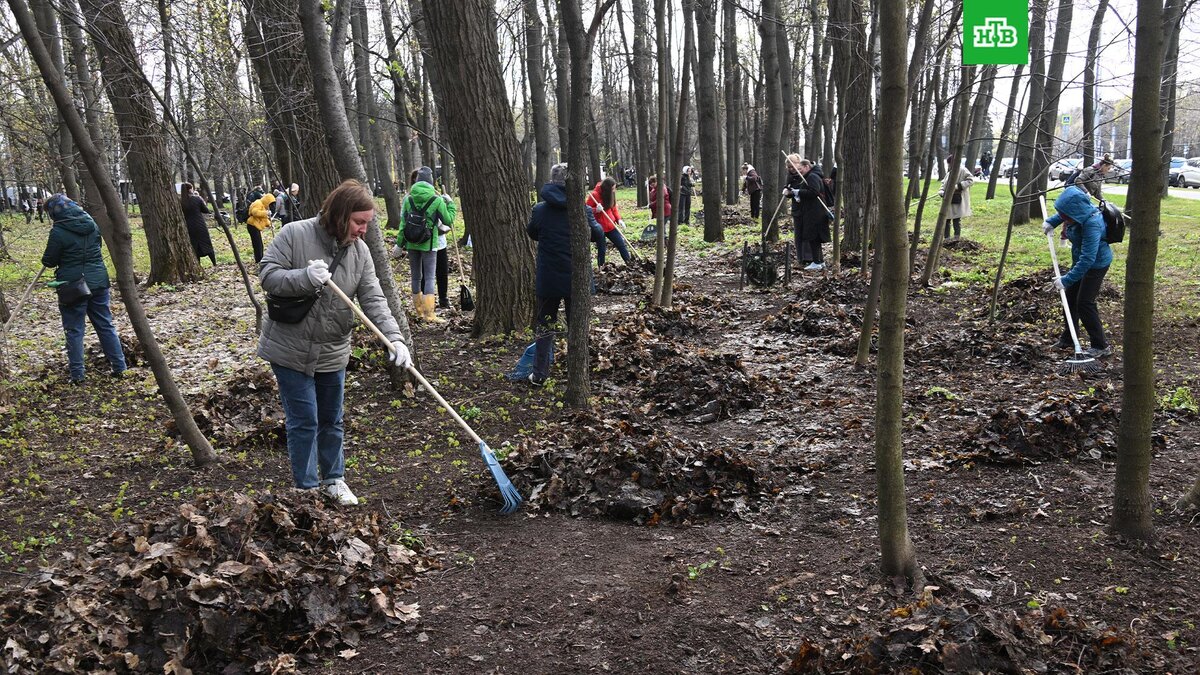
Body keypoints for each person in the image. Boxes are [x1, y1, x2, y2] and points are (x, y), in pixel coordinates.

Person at [257, 180, 410, 505]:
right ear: (340, 216)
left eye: (367, 223)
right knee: (305, 419)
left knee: (331, 418)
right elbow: (268, 275)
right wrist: (304, 277)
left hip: (332, 349)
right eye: (359, 222)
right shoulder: (295, 234)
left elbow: (373, 298)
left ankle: (334, 480)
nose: (363, 230)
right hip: (289, 346)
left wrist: (395, 339)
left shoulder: (360, 253)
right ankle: (307, 489)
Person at [40, 194, 127, 384]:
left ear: (54, 212)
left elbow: (50, 260)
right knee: (105, 325)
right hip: (98, 282)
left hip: (73, 286)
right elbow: (96, 247)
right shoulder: (91, 224)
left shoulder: (58, 231)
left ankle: (77, 375)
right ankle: (120, 367)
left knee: (74, 330)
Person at [1041, 186, 1112, 358]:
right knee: (1070, 298)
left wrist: (1066, 279)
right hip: (1081, 260)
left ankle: (1101, 345)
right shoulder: (1076, 213)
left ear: (1075, 211)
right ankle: (1068, 338)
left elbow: (1088, 258)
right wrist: (1052, 221)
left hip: (1096, 265)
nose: (1063, 217)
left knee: (1084, 302)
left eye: (1065, 215)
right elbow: (1063, 214)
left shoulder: (1092, 224)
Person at [526, 163, 577, 387]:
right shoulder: (581, 210)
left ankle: (539, 374)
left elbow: (532, 232)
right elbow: (596, 233)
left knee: (545, 325)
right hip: (575, 279)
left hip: (548, 279)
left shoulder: (539, 210)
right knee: (575, 324)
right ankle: (576, 373)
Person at [401, 166, 456, 323]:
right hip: (429, 244)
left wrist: (399, 245)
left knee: (416, 277)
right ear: (431, 182)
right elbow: (448, 220)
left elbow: (403, 223)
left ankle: (418, 311)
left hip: (412, 243)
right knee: (430, 278)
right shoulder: (436, 200)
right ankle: (429, 314)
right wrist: (450, 204)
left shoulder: (408, 199)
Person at [784, 155, 831, 270]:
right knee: (804, 235)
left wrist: (798, 191)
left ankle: (815, 260)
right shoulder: (793, 177)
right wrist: (790, 192)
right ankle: (808, 259)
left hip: (812, 210)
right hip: (803, 209)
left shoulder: (812, 176)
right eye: (789, 167)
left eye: (797, 167)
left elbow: (813, 192)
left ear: (804, 166)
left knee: (813, 236)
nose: (793, 169)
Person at [588, 177, 632, 266]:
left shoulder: (611, 194)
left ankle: (630, 264)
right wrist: (595, 210)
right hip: (599, 228)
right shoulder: (594, 195)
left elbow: (613, 208)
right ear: (607, 188)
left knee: (621, 245)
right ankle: (601, 268)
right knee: (602, 250)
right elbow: (586, 210)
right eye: (613, 188)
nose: (614, 190)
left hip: (611, 225)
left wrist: (619, 219)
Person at [179, 183, 217, 267]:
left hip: (188, 226)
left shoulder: (181, 202)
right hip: (199, 224)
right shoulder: (196, 199)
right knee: (206, 243)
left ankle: (198, 265)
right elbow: (205, 210)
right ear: (190, 189)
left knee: (194, 246)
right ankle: (214, 263)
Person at [938, 155, 974, 241]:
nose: (949, 166)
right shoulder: (950, 172)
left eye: (950, 164)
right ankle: (947, 238)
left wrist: (958, 186)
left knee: (956, 219)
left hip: (958, 199)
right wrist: (941, 191)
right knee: (946, 219)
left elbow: (971, 180)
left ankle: (956, 238)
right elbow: (944, 184)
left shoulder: (963, 170)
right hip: (948, 200)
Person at [247, 191, 276, 263]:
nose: (270, 206)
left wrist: (270, 224)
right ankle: (258, 260)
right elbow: (254, 212)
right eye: (270, 203)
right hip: (252, 225)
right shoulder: (258, 203)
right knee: (257, 244)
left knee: (260, 244)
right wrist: (266, 213)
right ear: (267, 201)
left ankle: (260, 258)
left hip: (256, 226)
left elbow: (264, 219)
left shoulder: (264, 206)